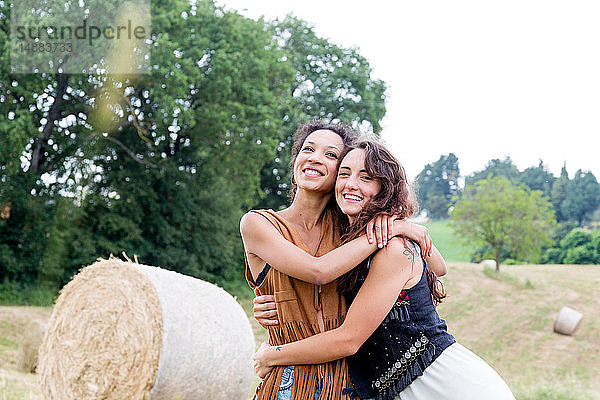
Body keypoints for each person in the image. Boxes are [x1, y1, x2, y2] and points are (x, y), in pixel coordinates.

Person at [253, 139, 516, 400]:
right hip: (398, 390)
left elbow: (349, 339)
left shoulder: (393, 248)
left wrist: (273, 355)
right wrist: (276, 303)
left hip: (444, 385)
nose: (351, 184)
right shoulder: (350, 244)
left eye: (366, 177)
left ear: (384, 189)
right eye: (344, 174)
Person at [240, 121, 441, 400]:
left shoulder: (352, 229)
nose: (315, 158)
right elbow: (318, 272)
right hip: (287, 378)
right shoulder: (258, 224)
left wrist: (398, 225)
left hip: (351, 384)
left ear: (340, 172)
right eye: (308, 149)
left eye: (330, 155)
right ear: (296, 159)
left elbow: (437, 268)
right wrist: (395, 229)